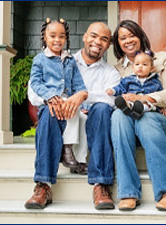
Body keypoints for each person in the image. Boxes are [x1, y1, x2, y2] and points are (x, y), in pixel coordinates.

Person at [28, 22, 121, 210]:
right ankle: (43, 185)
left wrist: (83, 96)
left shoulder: (111, 73)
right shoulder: (63, 59)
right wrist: (55, 101)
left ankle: (101, 184)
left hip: (94, 121)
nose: (97, 42)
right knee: (48, 110)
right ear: (84, 37)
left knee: (102, 109)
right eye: (94, 36)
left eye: (104, 39)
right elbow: (33, 93)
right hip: (60, 117)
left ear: (108, 45)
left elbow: (112, 99)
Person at [111, 19, 166, 211]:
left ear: (140, 36)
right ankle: (128, 193)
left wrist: (146, 98)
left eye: (131, 35)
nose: (127, 40)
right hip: (129, 129)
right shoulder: (117, 69)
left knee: (145, 119)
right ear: (118, 43)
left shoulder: (162, 59)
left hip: (162, 123)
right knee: (118, 116)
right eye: (122, 38)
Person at [25, 18, 88, 209]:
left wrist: (77, 98)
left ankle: (67, 148)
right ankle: (43, 184)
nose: (57, 40)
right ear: (44, 37)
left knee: (72, 108)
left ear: (66, 38)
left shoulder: (70, 61)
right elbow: (36, 83)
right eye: (52, 36)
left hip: (68, 103)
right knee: (50, 115)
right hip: (49, 103)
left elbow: (80, 86)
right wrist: (50, 97)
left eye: (62, 36)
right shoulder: (40, 60)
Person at [106, 50, 164, 119]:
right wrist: (113, 91)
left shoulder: (156, 82)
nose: (140, 67)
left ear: (152, 68)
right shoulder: (128, 79)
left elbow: (160, 95)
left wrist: (162, 107)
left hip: (147, 104)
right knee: (128, 101)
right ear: (133, 67)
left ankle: (139, 110)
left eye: (144, 64)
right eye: (137, 64)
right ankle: (127, 108)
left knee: (147, 104)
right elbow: (121, 87)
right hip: (132, 101)